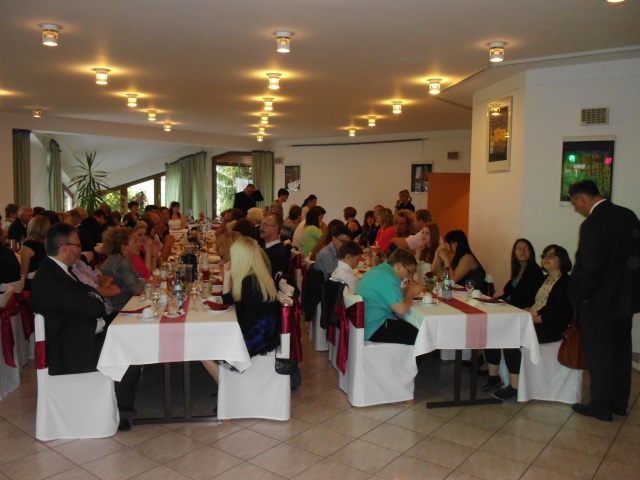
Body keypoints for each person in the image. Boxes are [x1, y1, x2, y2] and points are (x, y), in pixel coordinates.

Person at [568, 180, 640, 422]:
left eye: (575, 204)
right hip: (626, 300)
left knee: (600, 355)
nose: (577, 208)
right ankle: (619, 403)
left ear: (582, 199)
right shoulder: (628, 216)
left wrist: (580, 296)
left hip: (599, 301)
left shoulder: (592, 224)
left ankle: (600, 406)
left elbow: (588, 267)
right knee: (621, 352)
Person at [492, 244, 574, 400]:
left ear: (562, 260)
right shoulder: (545, 279)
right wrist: (526, 310)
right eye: (545, 255)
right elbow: (538, 303)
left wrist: (531, 319)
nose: (546, 258)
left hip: (552, 327)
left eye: (551, 255)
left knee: (513, 336)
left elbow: (558, 314)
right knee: (503, 330)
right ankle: (498, 377)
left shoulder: (566, 282)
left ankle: (515, 387)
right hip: (535, 320)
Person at [31, 223, 107, 376]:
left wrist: (94, 298)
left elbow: (92, 295)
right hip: (68, 351)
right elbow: (94, 308)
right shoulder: (53, 278)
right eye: (77, 245)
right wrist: (95, 299)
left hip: (75, 336)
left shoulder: (58, 270)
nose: (80, 250)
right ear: (64, 247)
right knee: (124, 354)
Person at [201, 237, 280, 383]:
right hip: (266, 335)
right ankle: (227, 384)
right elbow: (228, 299)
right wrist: (227, 275)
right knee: (212, 339)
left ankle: (226, 388)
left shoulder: (249, 282)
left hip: (258, 338)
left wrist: (228, 332)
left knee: (203, 347)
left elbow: (248, 321)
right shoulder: (256, 276)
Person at [483, 239, 545, 392]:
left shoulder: (535, 272)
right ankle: (493, 376)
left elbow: (530, 299)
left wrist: (506, 304)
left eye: (526, 248)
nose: (522, 251)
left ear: (531, 252)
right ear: (514, 253)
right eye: (519, 248)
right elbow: (509, 294)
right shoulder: (517, 271)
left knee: (503, 335)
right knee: (489, 331)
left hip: (520, 314)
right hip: (510, 311)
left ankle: (512, 384)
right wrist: (494, 301)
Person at [356, 248, 423, 344]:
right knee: (422, 336)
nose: (409, 276)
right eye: (409, 272)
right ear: (399, 266)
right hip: (375, 327)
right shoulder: (389, 277)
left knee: (412, 328)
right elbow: (401, 309)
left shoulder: (379, 270)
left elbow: (385, 293)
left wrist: (406, 289)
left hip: (367, 322)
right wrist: (411, 293)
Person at [99, 227, 146, 313]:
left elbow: (137, 279)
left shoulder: (119, 258)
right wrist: (150, 283)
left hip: (124, 305)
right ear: (124, 247)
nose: (139, 244)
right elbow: (136, 288)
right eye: (135, 241)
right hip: (119, 310)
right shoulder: (121, 263)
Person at [20, 214, 50, 279]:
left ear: (31, 226)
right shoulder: (50, 243)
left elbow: (23, 274)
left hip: (33, 282)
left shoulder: (27, 246)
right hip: (49, 279)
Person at [260, 213, 288, 280]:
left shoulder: (277, 254)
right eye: (261, 225)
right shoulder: (269, 248)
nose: (261, 228)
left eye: (265, 225)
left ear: (275, 228)